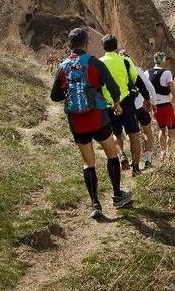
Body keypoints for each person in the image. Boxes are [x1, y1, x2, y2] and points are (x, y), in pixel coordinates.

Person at [50, 28, 133, 218]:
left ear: (69, 45)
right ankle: (117, 195)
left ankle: (95, 204)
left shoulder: (63, 67)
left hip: (77, 123)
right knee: (112, 155)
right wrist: (117, 104)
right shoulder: (94, 63)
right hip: (98, 118)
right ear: (86, 44)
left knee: (88, 163)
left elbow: (54, 96)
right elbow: (113, 87)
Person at [99, 35, 151, 176]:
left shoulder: (99, 63)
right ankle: (135, 167)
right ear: (117, 47)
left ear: (103, 47)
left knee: (116, 134)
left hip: (109, 105)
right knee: (134, 134)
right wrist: (147, 98)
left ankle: (122, 155)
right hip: (127, 103)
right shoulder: (126, 61)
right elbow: (138, 81)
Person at [122, 51, 157, 169]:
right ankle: (148, 159)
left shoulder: (118, 71)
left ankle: (133, 160)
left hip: (126, 107)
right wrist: (153, 102)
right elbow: (150, 87)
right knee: (147, 132)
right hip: (141, 106)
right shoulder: (137, 69)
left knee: (132, 135)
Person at [148, 52, 175, 162]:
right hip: (166, 105)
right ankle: (168, 152)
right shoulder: (167, 73)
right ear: (163, 60)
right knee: (171, 129)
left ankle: (162, 151)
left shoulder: (147, 72)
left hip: (155, 106)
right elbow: (171, 87)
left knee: (161, 129)